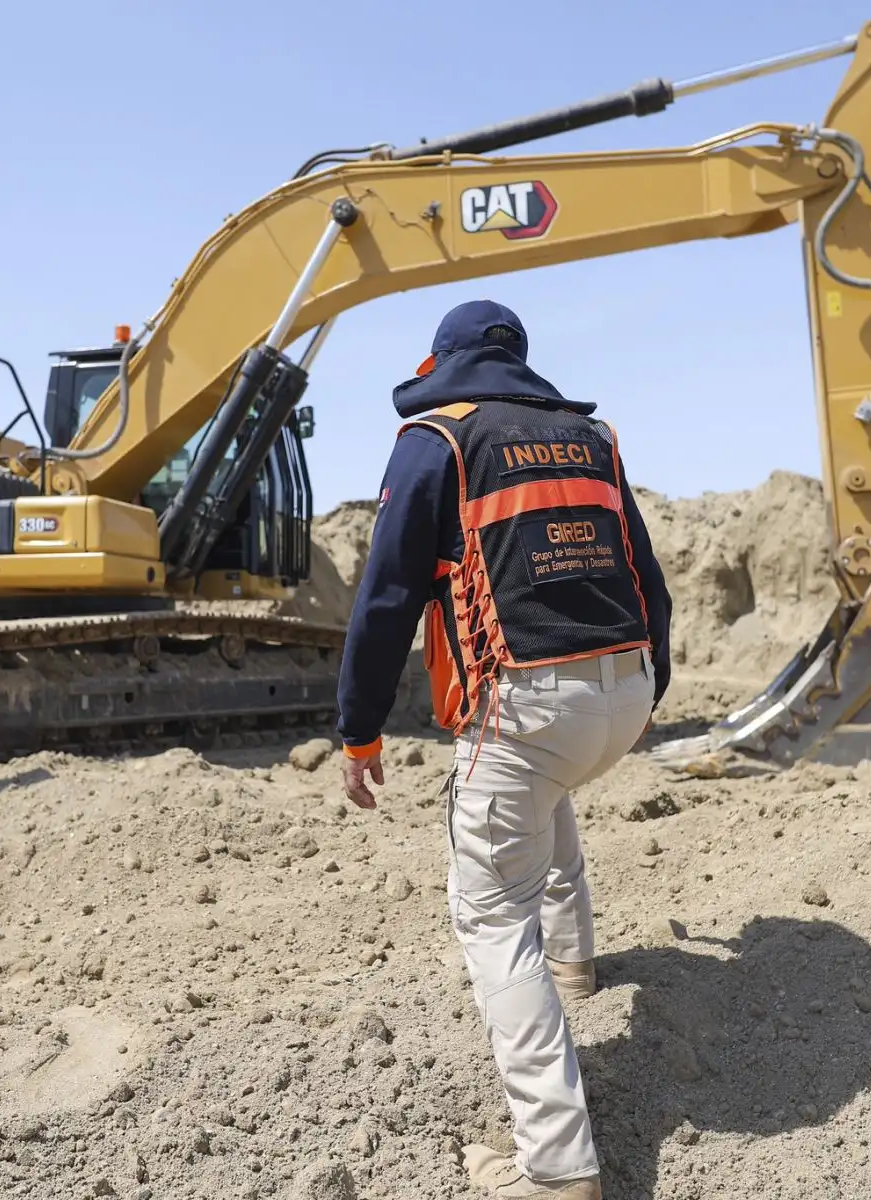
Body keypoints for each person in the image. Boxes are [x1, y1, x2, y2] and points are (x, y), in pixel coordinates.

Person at [336, 300, 672, 1199]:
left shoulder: (437, 439)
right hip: (624, 688)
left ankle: (557, 1169)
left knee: (489, 913)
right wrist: (650, 691)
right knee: (544, 789)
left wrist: (358, 729)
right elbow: (645, 573)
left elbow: (385, 597)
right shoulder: (591, 436)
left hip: (527, 706)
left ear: (440, 359)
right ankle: (575, 964)